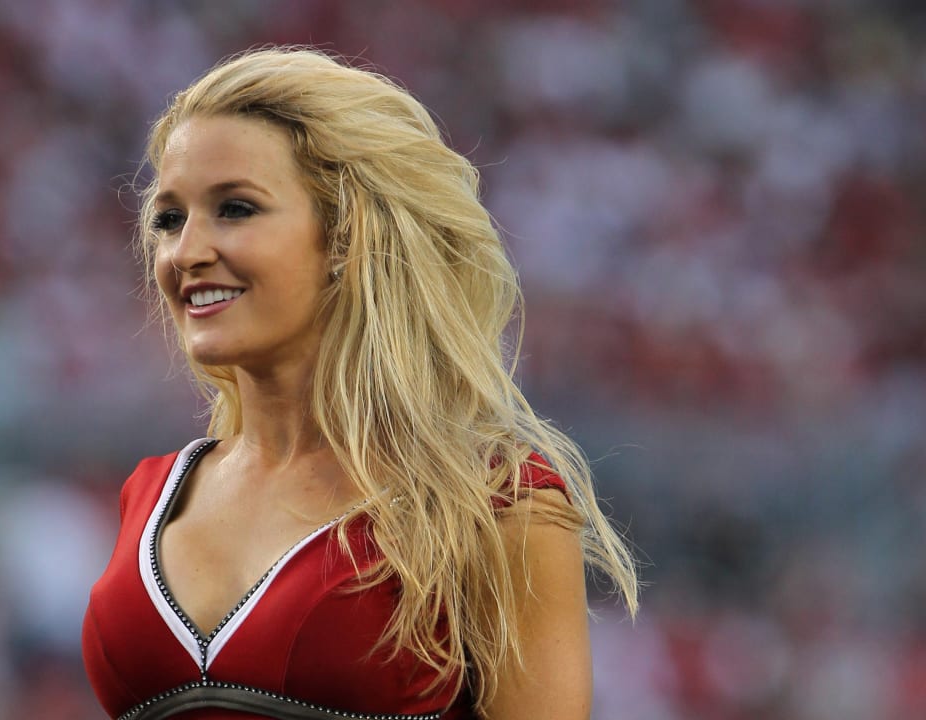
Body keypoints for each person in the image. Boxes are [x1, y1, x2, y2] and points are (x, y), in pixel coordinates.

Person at [82, 47, 639, 720]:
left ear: (349, 237)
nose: (186, 252)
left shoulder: (490, 504)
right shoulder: (152, 495)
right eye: (169, 218)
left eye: (235, 208)